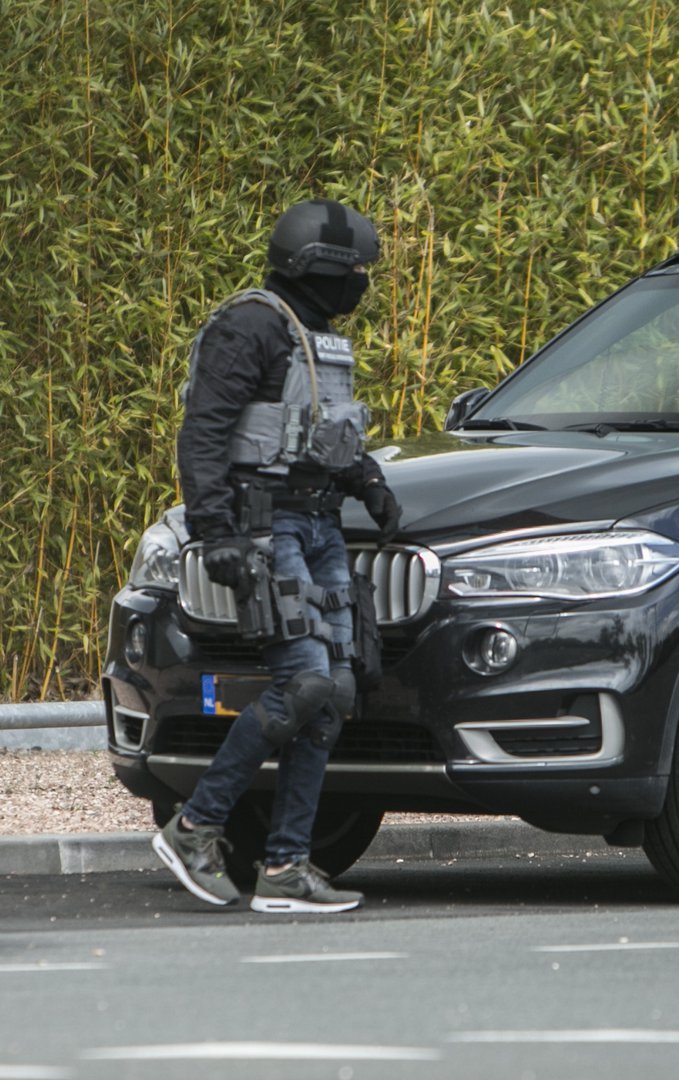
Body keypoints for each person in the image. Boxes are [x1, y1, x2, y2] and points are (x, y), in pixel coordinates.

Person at [150, 199, 402, 914]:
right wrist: (216, 531)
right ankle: (196, 826)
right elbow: (203, 435)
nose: (361, 280)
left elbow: (322, 436)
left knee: (333, 698)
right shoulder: (251, 325)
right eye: (354, 269)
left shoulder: (319, 337)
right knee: (305, 685)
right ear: (319, 267)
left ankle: (286, 867)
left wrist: (369, 483)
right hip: (268, 528)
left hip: (321, 524)